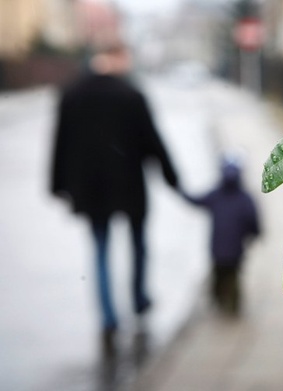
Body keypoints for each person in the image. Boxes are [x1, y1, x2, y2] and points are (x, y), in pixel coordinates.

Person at [50, 42, 179, 337]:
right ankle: (138, 299)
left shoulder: (72, 94)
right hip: (129, 186)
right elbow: (153, 142)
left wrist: (57, 185)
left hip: (91, 190)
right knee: (138, 245)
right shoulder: (131, 95)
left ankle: (108, 316)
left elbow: (60, 143)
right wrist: (172, 178)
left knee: (100, 249)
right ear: (117, 58)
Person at [183, 156, 260, 315]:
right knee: (233, 279)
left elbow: (196, 200)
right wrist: (254, 234)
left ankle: (219, 302)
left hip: (217, 250)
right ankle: (233, 307)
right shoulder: (245, 199)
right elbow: (254, 222)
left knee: (218, 278)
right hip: (236, 251)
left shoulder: (215, 196)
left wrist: (178, 188)